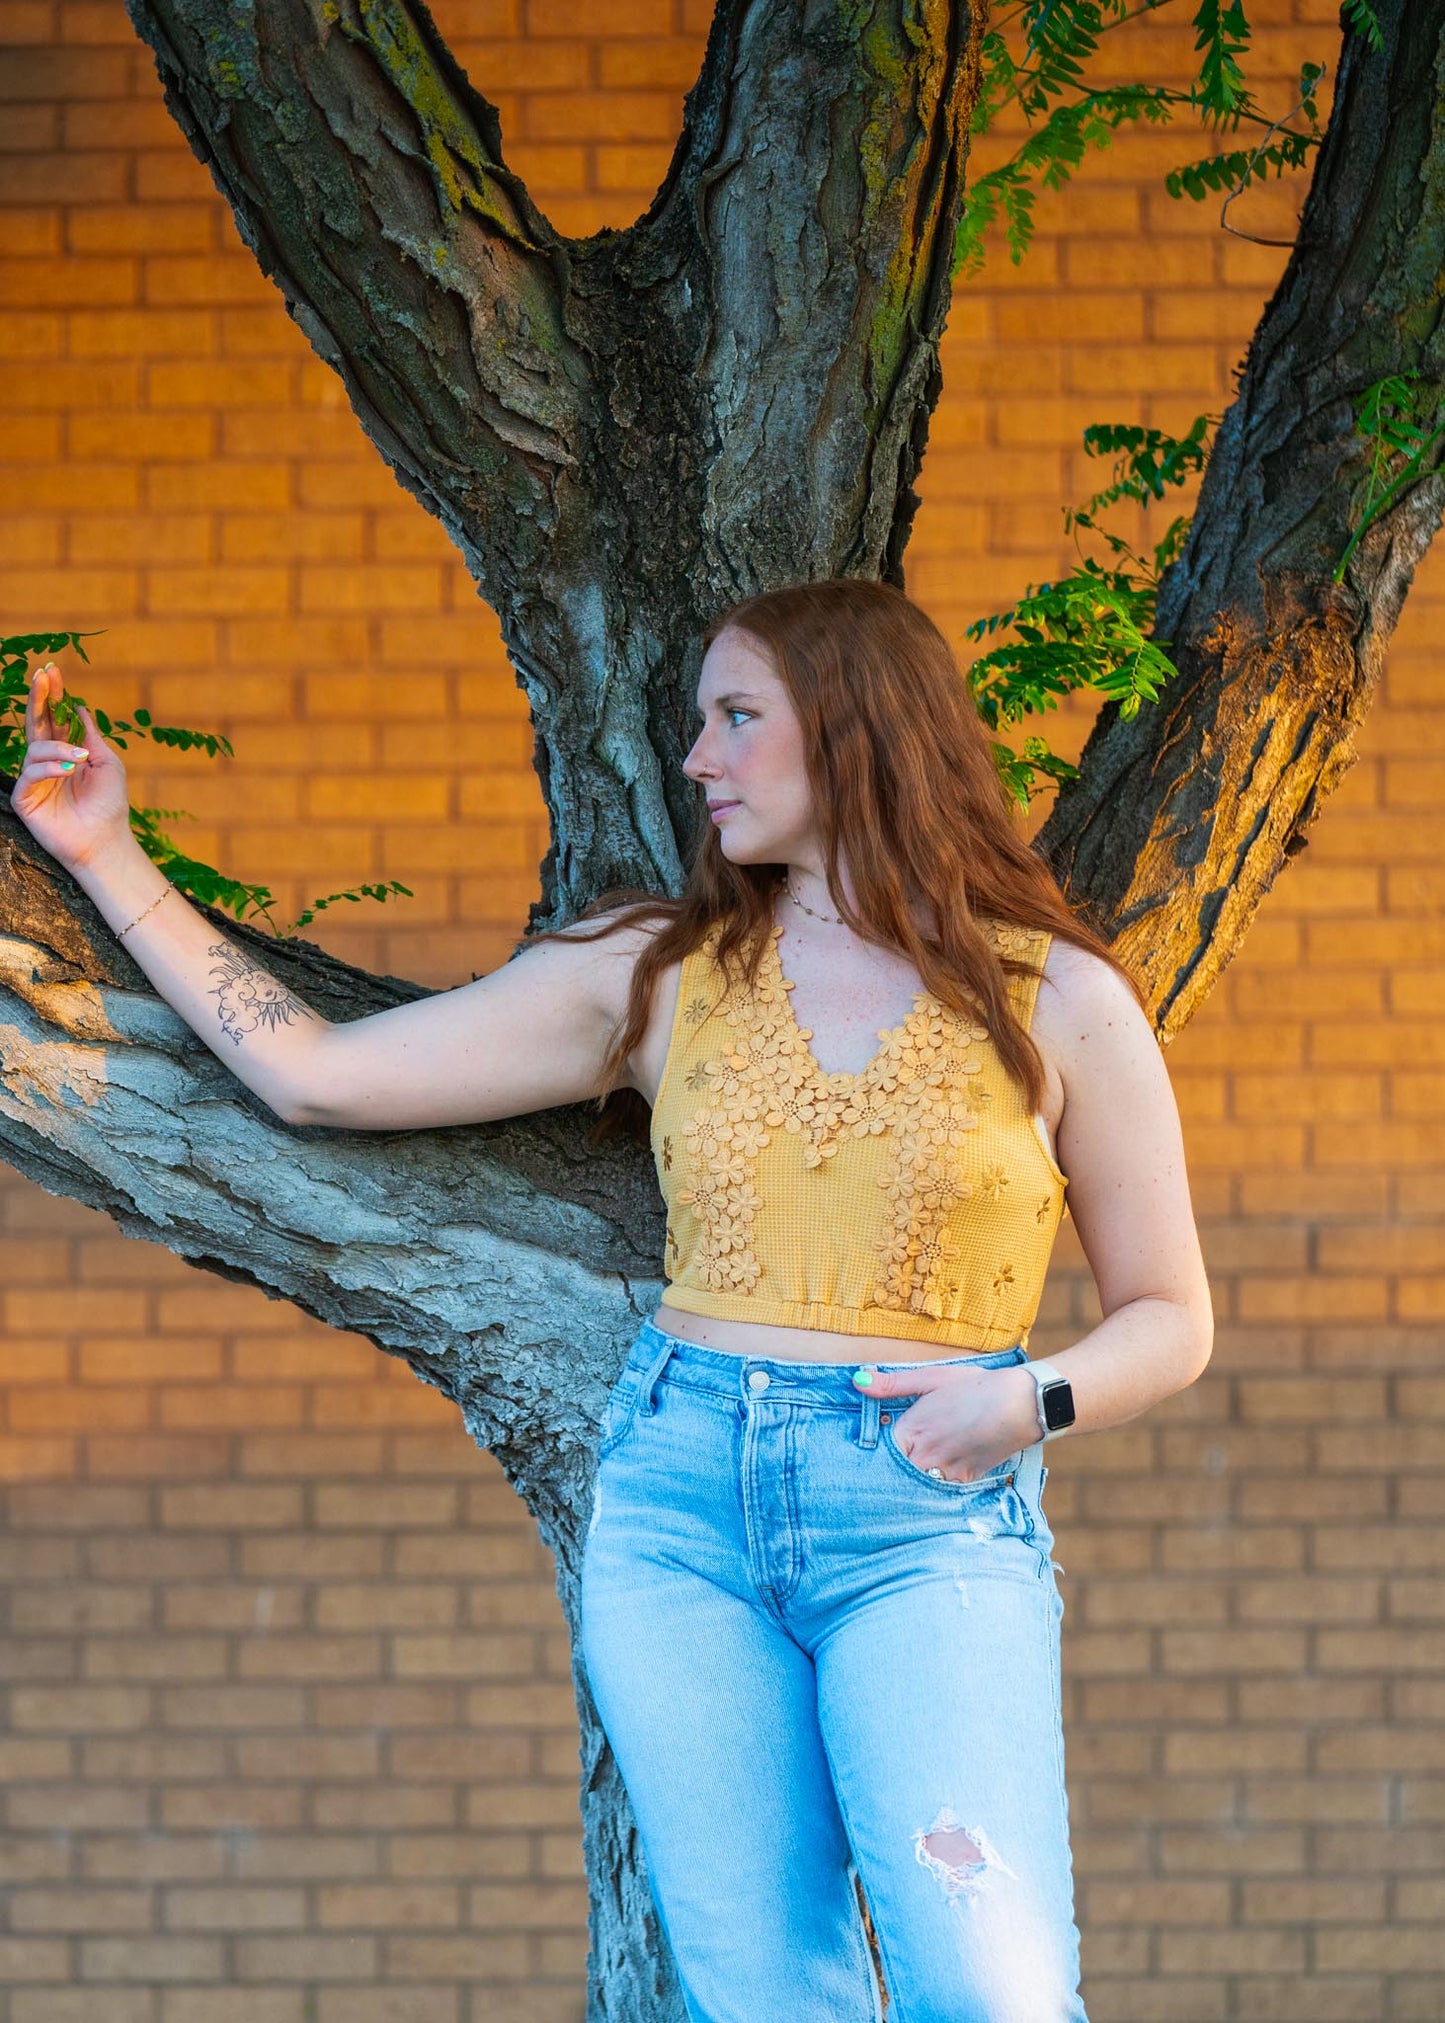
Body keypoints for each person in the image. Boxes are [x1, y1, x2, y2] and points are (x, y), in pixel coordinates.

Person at [12, 578, 1213, 2023]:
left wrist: (1031, 1398)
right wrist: (106, 856)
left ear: (858, 727)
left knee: (992, 1990)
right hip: (681, 1512)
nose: (696, 757)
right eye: (696, 723)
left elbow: (1169, 1315)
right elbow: (316, 1076)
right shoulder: (655, 973)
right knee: (764, 1996)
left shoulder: (1057, 996)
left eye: (735, 717)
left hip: (924, 1516)